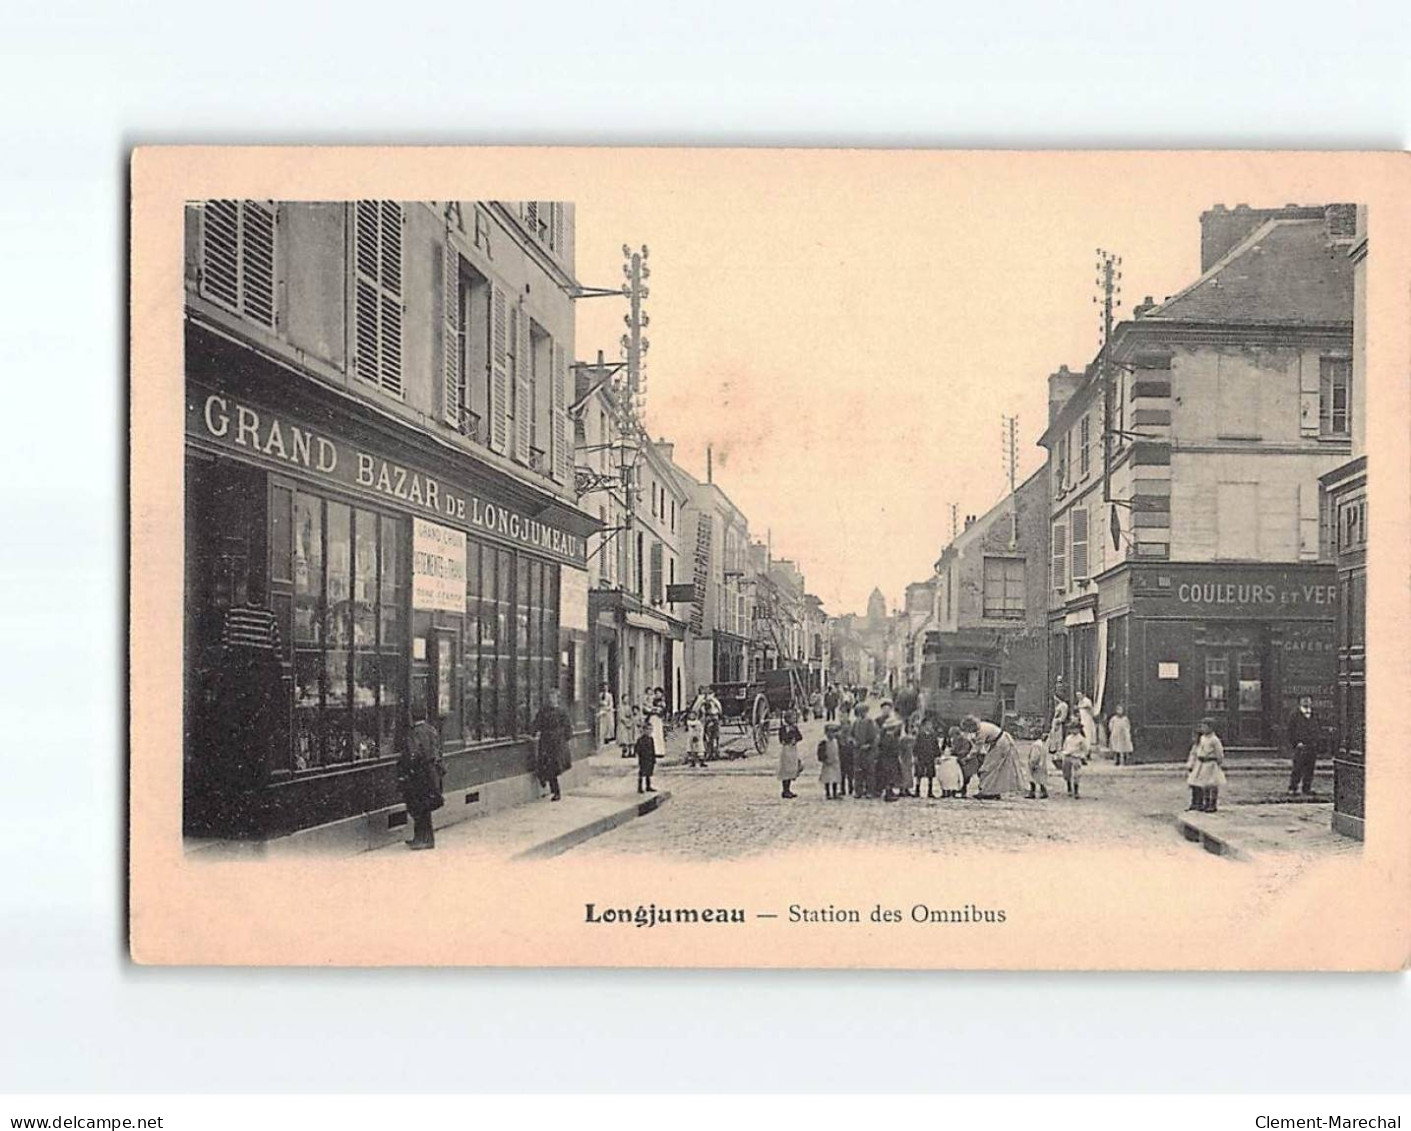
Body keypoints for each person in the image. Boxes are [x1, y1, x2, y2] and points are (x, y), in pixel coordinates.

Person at [397, 705, 445, 850]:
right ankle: (425, 838)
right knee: (425, 806)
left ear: (413, 717)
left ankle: (422, 839)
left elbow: (413, 754)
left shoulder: (414, 733)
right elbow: (438, 750)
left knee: (418, 806)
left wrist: (406, 771)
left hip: (419, 774)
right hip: (431, 773)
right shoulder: (431, 730)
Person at [965, 715, 1028, 800]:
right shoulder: (982, 726)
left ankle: (988, 792)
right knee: (992, 767)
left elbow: (977, 748)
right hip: (998, 743)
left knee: (989, 767)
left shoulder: (982, 731)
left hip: (1001, 744)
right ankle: (992, 791)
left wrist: (967, 757)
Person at [533, 688, 574, 802]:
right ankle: (543, 778)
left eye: (554, 697)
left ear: (557, 699)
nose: (551, 700)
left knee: (553, 767)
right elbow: (537, 723)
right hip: (545, 740)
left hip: (557, 742)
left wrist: (566, 740)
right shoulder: (543, 711)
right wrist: (532, 732)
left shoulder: (561, 712)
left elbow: (568, 727)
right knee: (543, 762)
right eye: (550, 697)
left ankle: (556, 792)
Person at [1187, 717, 1227, 813]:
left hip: (1211, 764)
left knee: (1212, 784)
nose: (1203, 729)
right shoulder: (1202, 738)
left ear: (1211, 728)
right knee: (1203, 784)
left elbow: (1219, 753)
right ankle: (1204, 803)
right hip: (1202, 764)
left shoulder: (1215, 740)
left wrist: (1218, 762)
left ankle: (1212, 804)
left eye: (1205, 727)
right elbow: (1197, 750)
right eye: (1202, 727)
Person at [1286, 695, 1320, 796]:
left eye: (1308, 700)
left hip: (1312, 745)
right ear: (1300, 702)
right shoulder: (1294, 715)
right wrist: (1296, 743)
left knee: (1310, 768)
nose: (1306, 702)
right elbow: (1290, 731)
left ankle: (1307, 788)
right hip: (1300, 746)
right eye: (1304, 700)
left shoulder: (1314, 714)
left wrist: (1316, 741)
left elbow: (1318, 727)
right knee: (1298, 767)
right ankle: (1293, 788)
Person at [852, 702, 879, 799]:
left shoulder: (870, 722)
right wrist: (854, 742)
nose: (861, 714)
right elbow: (851, 736)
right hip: (858, 751)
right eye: (859, 712)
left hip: (868, 752)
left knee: (869, 772)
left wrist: (869, 745)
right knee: (858, 772)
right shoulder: (856, 723)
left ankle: (870, 791)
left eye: (862, 712)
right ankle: (858, 791)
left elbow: (875, 738)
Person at [777, 710, 804, 799]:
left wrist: (795, 739)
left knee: (792, 769)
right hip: (786, 750)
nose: (794, 719)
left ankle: (788, 789)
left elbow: (800, 737)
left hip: (793, 750)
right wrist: (789, 738)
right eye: (793, 718)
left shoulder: (794, 728)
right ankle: (785, 790)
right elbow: (781, 739)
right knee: (785, 769)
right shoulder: (783, 729)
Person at [877, 716, 904, 802]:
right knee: (889, 776)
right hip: (889, 758)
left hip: (890, 758)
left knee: (891, 776)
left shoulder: (890, 736)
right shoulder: (889, 736)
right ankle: (888, 793)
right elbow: (888, 748)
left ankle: (890, 792)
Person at [913, 715, 941, 799]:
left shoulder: (933, 735)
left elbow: (936, 746)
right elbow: (916, 746)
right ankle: (917, 790)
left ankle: (930, 791)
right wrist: (915, 755)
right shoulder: (920, 735)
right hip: (921, 756)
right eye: (928, 724)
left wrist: (937, 755)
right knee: (919, 773)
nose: (929, 726)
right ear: (924, 725)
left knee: (930, 774)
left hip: (930, 756)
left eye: (930, 725)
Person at [1060, 721, 1089, 799]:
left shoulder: (1081, 739)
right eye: (1071, 729)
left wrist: (1082, 756)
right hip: (1067, 756)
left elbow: (1085, 749)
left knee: (1076, 774)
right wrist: (1063, 753)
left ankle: (1076, 791)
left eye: (1075, 729)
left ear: (1079, 729)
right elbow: (1065, 746)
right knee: (1067, 773)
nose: (1073, 730)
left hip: (1076, 757)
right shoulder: (1068, 738)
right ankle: (1069, 787)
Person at [950, 725, 978, 799]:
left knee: (965, 777)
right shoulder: (954, 740)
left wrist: (957, 753)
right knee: (956, 776)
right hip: (960, 760)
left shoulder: (965, 740)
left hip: (968, 761)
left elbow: (965, 750)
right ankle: (955, 790)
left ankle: (963, 791)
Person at [818, 721, 843, 799]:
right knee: (827, 778)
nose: (831, 734)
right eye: (830, 732)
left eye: (833, 733)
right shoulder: (824, 742)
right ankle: (828, 793)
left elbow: (840, 750)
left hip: (835, 762)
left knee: (835, 778)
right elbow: (820, 753)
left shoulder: (836, 741)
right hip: (827, 763)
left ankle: (835, 792)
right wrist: (824, 759)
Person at [936, 731, 964, 798]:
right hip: (945, 762)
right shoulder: (941, 743)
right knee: (944, 777)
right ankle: (945, 791)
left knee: (953, 777)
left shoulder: (959, 742)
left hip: (953, 762)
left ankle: (953, 791)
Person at [839, 711, 858, 796]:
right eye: (841, 717)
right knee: (842, 773)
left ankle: (850, 788)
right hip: (841, 752)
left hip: (849, 751)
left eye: (844, 716)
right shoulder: (838, 728)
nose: (842, 718)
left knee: (850, 772)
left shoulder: (851, 727)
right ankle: (842, 789)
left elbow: (854, 737)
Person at [898, 718, 917, 797]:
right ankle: (902, 789)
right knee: (903, 773)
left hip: (909, 756)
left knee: (909, 773)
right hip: (904, 757)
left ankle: (907, 788)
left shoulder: (912, 738)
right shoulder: (903, 739)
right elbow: (900, 748)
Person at [635, 726, 657, 793]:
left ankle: (648, 786)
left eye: (651, 729)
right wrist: (640, 756)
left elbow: (653, 749)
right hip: (643, 758)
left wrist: (654, 758)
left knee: (649, 772)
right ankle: (640, 787)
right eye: (648, 729)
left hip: (650, 758)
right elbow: (637, 749)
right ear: (644, 730)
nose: (649, 731)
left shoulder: (651, 739)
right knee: (642, 773)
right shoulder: (640, 740)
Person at [597, 683, 615, 748]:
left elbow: (611, 704)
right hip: (602, 711)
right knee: (602, 725)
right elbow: (598, 702)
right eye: (604, 687)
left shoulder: (609, 695)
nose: (605, 688)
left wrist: (607, 708)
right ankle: (601, 738)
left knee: (608, 725)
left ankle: (607, 738)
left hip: (607, 712)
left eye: (606, 687)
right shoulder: (600, 695)